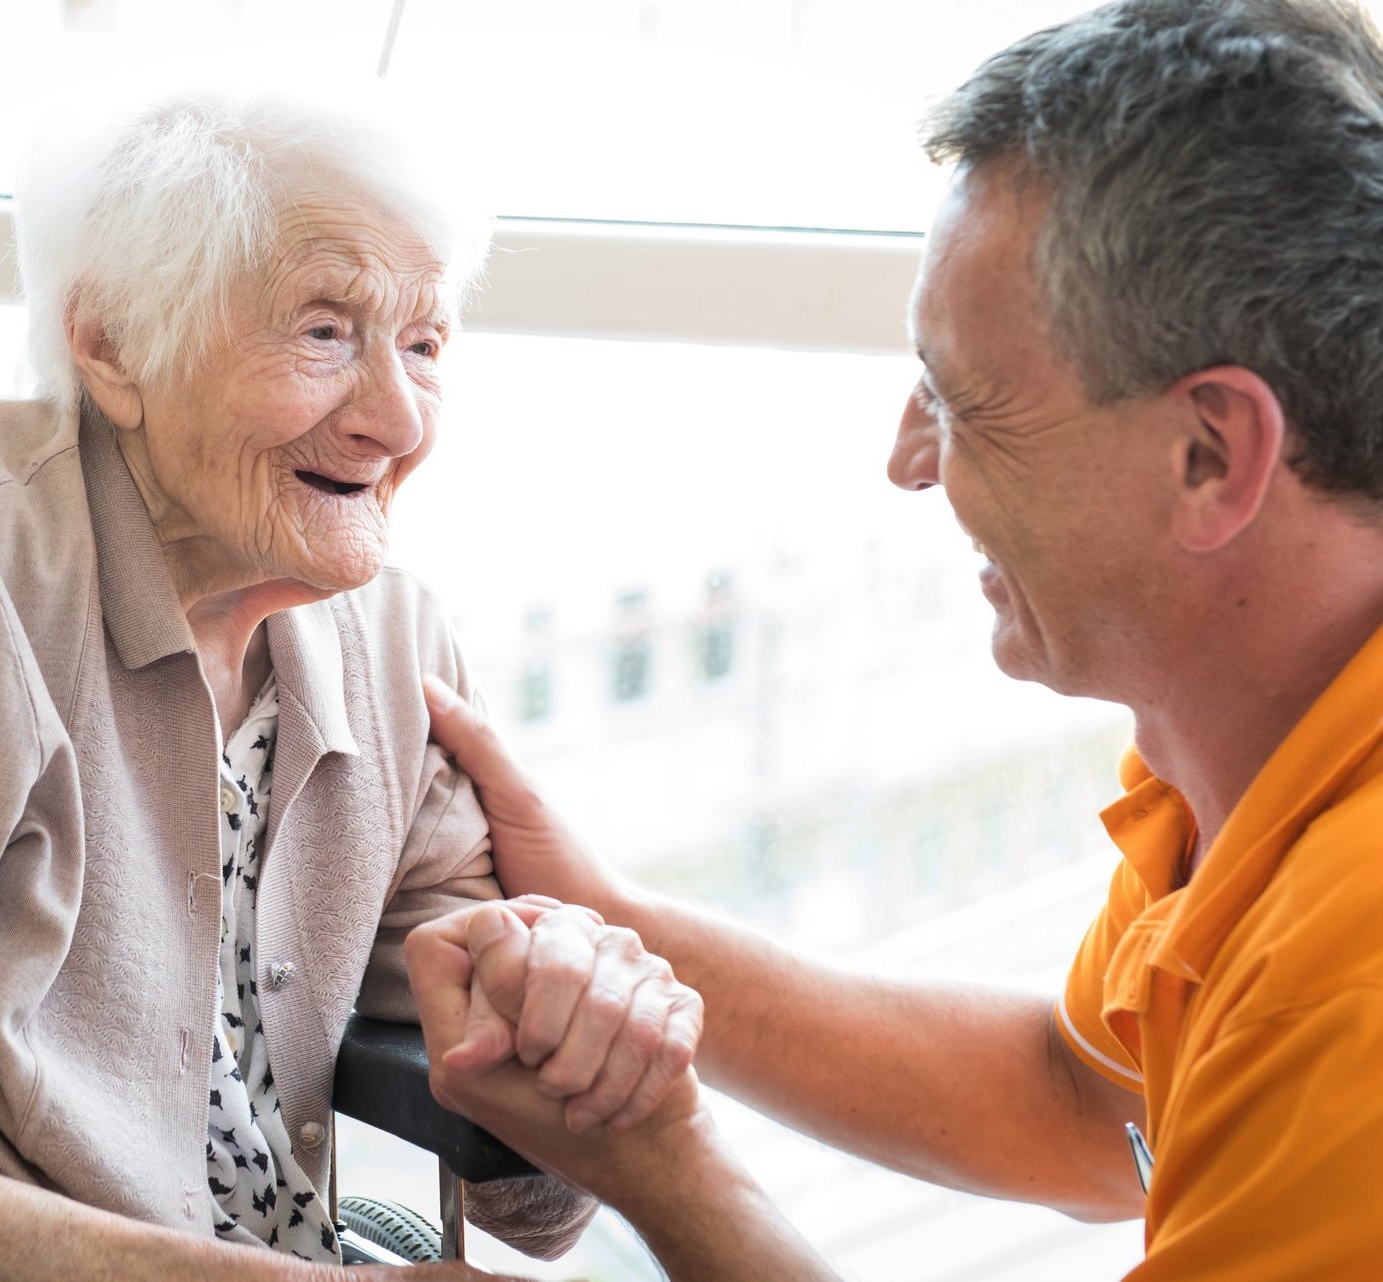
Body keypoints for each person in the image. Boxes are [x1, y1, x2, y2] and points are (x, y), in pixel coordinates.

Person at [402, 0, 1383, 1278]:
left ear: (1210, 455)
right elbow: (1089, 1108)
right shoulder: (1253, 730)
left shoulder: (1348, 985)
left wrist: (663, 1162)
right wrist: (610, 914)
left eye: (960, 400)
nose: (908, 462)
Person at [0, 86, 696, 1282]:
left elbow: (531, 1205)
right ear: (109, 346)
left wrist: (584, 1038)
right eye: (324, 332)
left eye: (424, 343)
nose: (395, 420)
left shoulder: (394, 635)